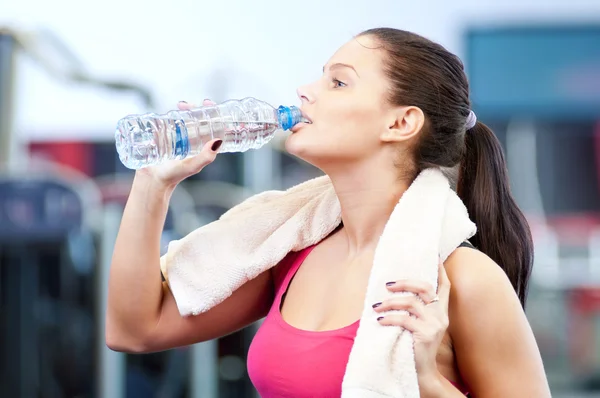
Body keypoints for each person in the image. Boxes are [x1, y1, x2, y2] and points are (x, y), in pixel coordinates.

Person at [106, 28, 551, 397]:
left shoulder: (463, 279)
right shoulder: (289, 251)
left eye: (337, 82)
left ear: (400, 123)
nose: (304, 91)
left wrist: (430, 383)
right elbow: (133, 330)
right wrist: (153, 183)